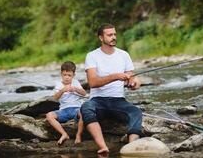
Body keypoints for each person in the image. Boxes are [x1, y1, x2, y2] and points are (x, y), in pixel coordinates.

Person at [81, 24, 142, 154]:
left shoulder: (124, 55)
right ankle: (103, 146)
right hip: (98, 101)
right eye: (109, 35)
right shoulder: (92, 56)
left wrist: (134, 83)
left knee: (136, 112)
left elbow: (131, 77)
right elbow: (92, 82)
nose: (113, 37)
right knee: (86, 107)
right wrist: (114, 76)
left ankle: (131, 147)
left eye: (114, 34)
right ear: (101, 38)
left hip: (118, 101)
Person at [46, 61, 86, 145]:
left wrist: (75, 89)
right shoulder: (58, 84)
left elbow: (84, 93)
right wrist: (62, 90)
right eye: (65, 75)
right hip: (63, 110)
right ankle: (64, 134)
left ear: (73, 75)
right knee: (49, 115)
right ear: (61, 74)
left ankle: (78, 135)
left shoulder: (76, 82)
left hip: (76, 109)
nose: (67, 77)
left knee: (84, 112)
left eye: (69, 75)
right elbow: (55, 98)